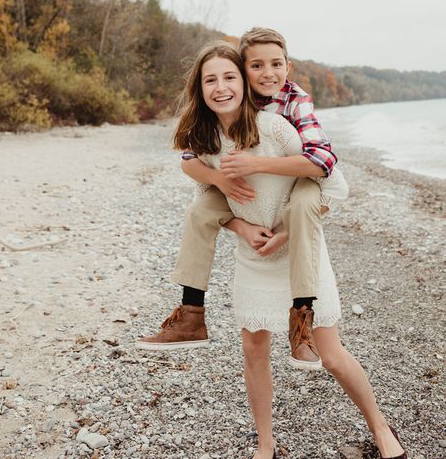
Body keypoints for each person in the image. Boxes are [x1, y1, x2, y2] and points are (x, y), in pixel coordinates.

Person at [141, 42, 407, 459]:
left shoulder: (275, 127)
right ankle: (265, 444)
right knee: (253, 349)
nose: (221, 87)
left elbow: (333, 184)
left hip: (300, 250)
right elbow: (208, 199)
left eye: (229, 77)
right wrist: (243, 228)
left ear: (245, 85)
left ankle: (380, 427)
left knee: (332, 355)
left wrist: (285, 230)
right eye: (211, 79)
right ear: (200, 87)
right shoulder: (205, 137)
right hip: (254, 257)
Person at [137, 27, 348, 369]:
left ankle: (302, 317)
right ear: (246, 73)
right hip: (252, 197)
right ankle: (191, 314)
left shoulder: (289, 105)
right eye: (257, 66)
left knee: (304, 203)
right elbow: (189, 162)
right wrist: (220, 180)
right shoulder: (224, 113)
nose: (268, 74)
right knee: (199, 210)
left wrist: (258, 164)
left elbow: (324, 165)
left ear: (287, 67)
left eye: (276, 65)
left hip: (302, 180)